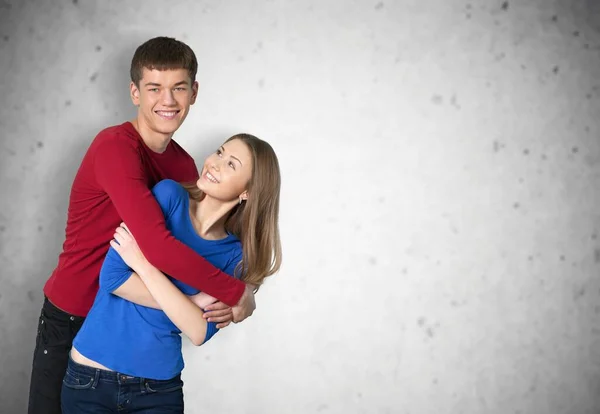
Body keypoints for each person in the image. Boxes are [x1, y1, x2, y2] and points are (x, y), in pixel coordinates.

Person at [28, 37, 257, 414]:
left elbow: (224, 239)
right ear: (135, 92)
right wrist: (233, 293)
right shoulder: (114, 147)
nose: (167, 101)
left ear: (194, 92)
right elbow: (158, 246)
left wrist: (248, 289)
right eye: (154, 88)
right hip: (74, 314)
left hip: (131, 328)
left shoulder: (185, 170)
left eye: (178, 88)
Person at [61, 134, 282, 413]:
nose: (214, 163)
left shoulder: (235, 256)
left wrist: (144, 266)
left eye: (231, 164)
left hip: (157, 391)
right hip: (89, 378)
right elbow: (113, 279)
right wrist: (191, 302)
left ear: (247, 192)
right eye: (219, 152)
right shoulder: (168, 196)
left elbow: (199, 330)